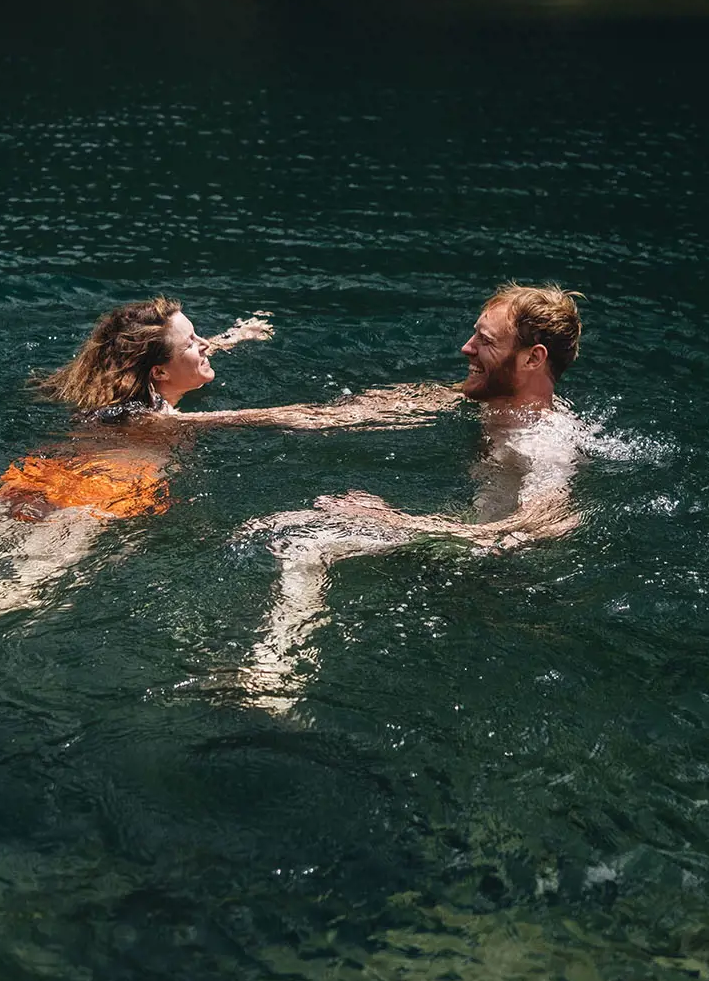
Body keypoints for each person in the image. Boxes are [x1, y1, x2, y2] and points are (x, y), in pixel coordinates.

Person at [0, 298, 452, 714]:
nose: (208, 348)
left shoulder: (119, 398)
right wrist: (412, 403)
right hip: (98, 498)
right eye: (197, 343)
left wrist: (238, 336)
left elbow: (180, 360)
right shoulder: (166, 420)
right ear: (159, 369)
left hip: (37, 477)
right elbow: (295, 418)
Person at [236, 283, 586, 708]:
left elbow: (543, 525)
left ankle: (276, 677)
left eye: (485, 341)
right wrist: (195, 423)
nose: (466, 347)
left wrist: (395, 521)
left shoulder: (545, 441)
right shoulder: (480, 401)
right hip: (459, 533)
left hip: (500, 568)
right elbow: (330, 417)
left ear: (533, 357)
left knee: (308, 542)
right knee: (274, 524)